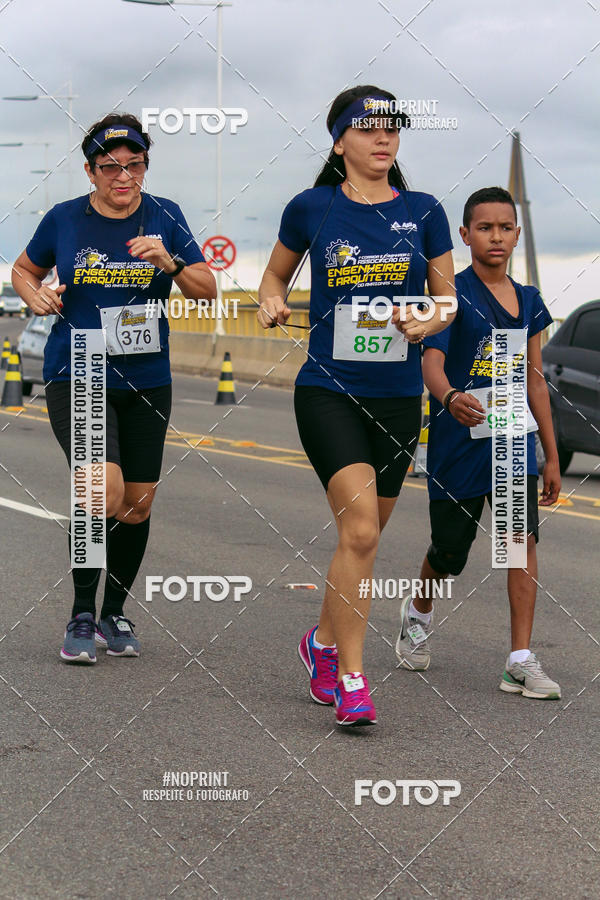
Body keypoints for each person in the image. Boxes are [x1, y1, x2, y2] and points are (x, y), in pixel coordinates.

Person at [258, 85, 456, 726]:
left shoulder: (424, 210)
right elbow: (274, 275)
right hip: (328, 392)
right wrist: (269, 300)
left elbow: (448, 298)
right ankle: (351, 679)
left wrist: (430, 320)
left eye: (392, 128)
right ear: (340, 140)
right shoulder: (310, 207)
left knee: (362, 542)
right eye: (368, 128)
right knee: (362, 531)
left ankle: (318, 643)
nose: (383, 138)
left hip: (398, 399)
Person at [12, 112, 216, 664]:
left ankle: (113, 612)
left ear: (145, 167)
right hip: (79, 370)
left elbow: (207, 289)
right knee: (100, 488)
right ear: (90, 171)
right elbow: (23, 270)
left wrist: (170, 262)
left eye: (134, 165)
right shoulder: (63, 219)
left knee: (138, 504)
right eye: (110, 167)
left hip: (148, 376)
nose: (123, 176)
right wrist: (34, 295)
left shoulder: (165, 216)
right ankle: (81, 613)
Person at [395, 186, 562, 699]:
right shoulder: (452, 295)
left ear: (517, 234)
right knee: (451, 552)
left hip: (513, 440)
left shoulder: (529, 300)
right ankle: (417, 610)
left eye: (505, 227)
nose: (496, 236)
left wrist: (551, 455)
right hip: (459, 439)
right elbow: (432, 363)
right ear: (465, 236)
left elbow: (535, 380)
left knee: (519, 545)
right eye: (484, 227)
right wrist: (448, 398)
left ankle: (519, 659)